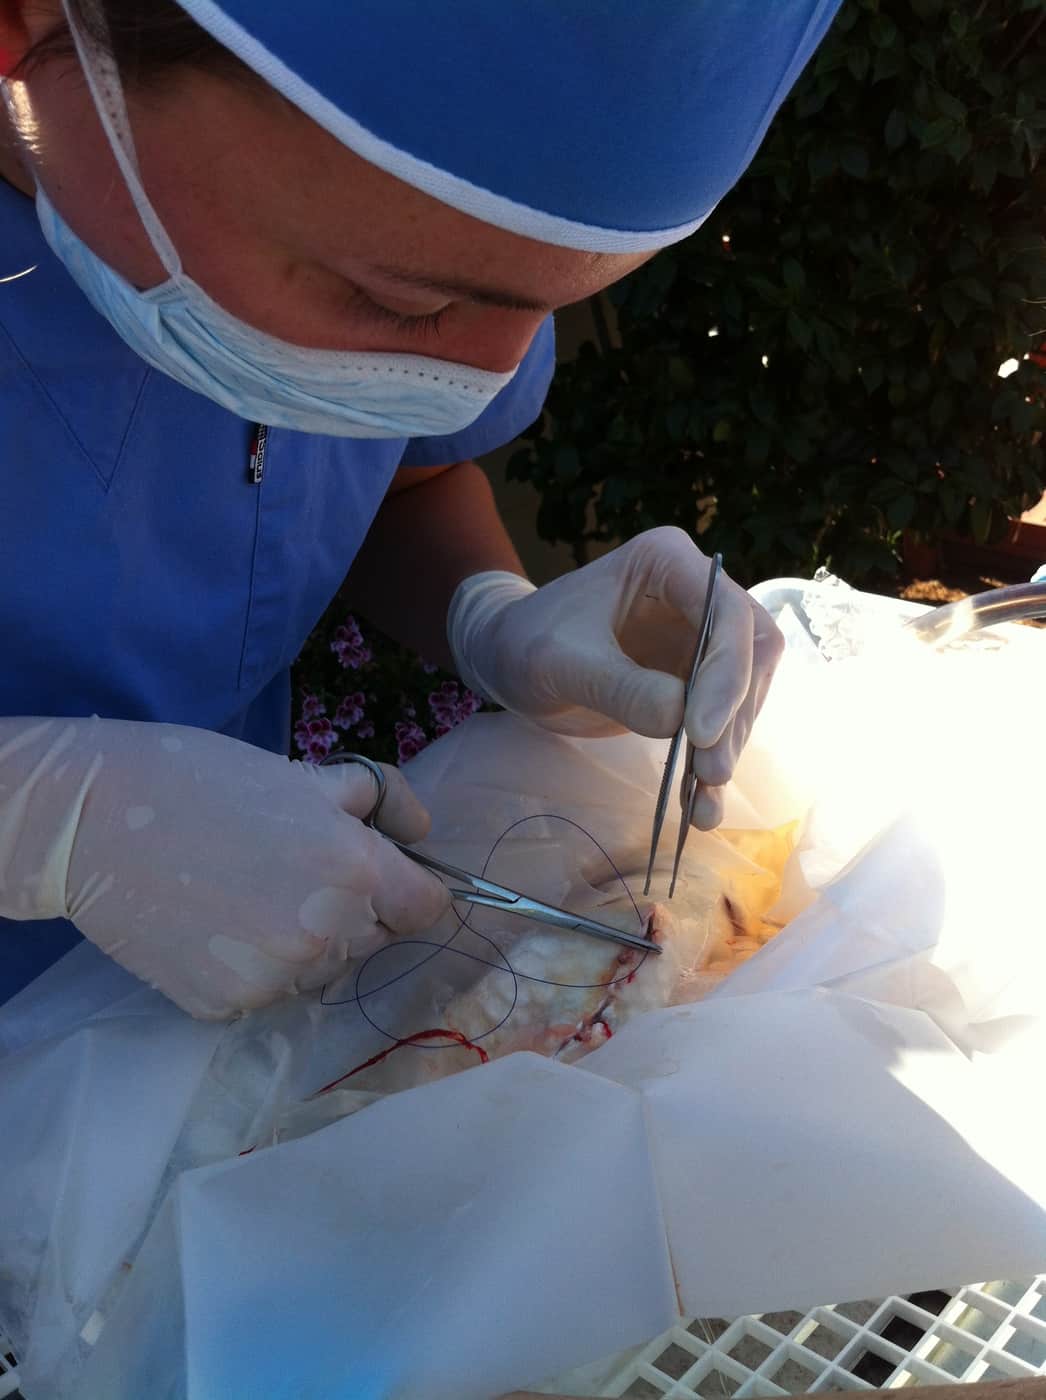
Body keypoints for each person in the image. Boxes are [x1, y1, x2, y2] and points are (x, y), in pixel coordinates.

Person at [0, 0, 841, 1020]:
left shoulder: (402, 230)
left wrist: (487, 612)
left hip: (151, 1039)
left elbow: (399, 473)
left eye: (547, 302)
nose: (479, 377)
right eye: (401, 307)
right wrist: (52, 818)